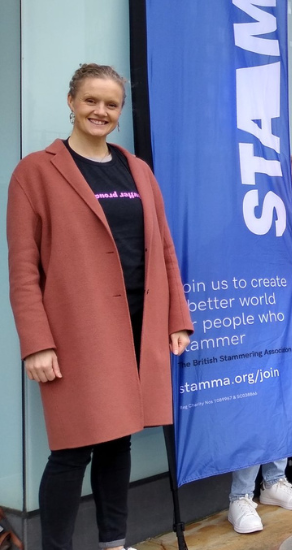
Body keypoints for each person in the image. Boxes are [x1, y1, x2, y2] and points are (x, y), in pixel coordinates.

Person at [6, 64, 193, 550]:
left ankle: (114, 543)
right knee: (71, 450)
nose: (100, 112)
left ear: (120, 112)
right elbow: (24, 268)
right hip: (77, 333)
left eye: (111, 104)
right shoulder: (36, 171)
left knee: (119, 440)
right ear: (71, 101)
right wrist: (36, 344)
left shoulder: (137, 170)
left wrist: (177, 319)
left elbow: (164, 250)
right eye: (91, 100)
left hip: (139, 327)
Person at [226, 153, 292, 533]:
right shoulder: (262, 216)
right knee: (258, 404)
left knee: (286, 401)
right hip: (263, 322)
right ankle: (240, 496)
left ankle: (274, 482)